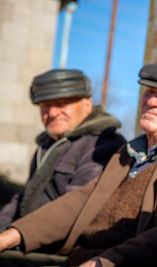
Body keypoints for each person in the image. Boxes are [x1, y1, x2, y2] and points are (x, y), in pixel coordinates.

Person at [0, 59, 157, 267]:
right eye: (149, 92)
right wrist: (13, 235)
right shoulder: (128, 153)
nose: (151, 101)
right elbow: (83, 199)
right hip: (82, 257)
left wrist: (105, 262)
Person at [0, 69, 125, 231]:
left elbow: (75, 206)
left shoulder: (103, 144)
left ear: (87, 104)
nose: (51, 113)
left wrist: (17, 236)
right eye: (45, 106)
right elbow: (24, 198)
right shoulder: (46, 145)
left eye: (61, 104)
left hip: (63, 248)